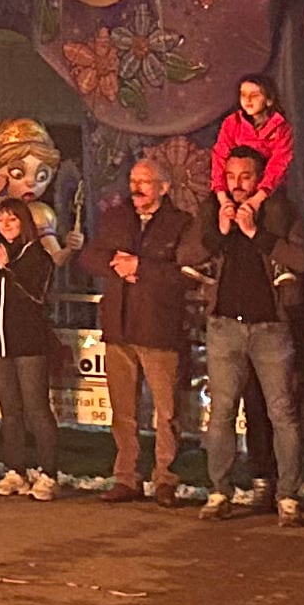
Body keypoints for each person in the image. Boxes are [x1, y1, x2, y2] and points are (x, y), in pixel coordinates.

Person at [188, 144, 304, 520]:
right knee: (222, 412)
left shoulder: (279, 211)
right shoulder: (213, 211)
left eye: (246, 177)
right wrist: (220, 231)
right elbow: (188, 255)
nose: (238, 185)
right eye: (231, 177)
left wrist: (256, 233)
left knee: (281, 412)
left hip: (270, 328)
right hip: (225, 325)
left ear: (261, 180)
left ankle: (288, 495)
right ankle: (219, 492)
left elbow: (302, 259)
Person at [89, 156, 195, 503]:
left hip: (158, 329)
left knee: (166, 411)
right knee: (123, 411)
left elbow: (187, 274)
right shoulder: (116, 218)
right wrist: (115, 266)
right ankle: (126, 477)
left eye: (145, 182)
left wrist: (143, 268)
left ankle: (166, 478)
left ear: (164, 187)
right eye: (133, 180)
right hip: (119, 327)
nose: (136, 187)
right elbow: (88, 258)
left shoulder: (181, 224)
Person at [0, 193, 67, 497]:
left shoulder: (37, 255)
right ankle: (15, 470)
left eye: (12, 219)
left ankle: (49, 473)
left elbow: (35, 293)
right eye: (1, 219)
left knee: (37, 408)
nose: (6, 224)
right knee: (9, 410)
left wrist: (9, 267)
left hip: (28, 342)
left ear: (23, 223)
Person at [210, 76, 295, 202]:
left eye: (254, 95)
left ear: (269, 100)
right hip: (232, 189)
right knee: (209, 210)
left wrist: (258, 198)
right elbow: (220, 157)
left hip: (266, 191)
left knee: (276, 211)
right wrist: (222, 196)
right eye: (243, 95)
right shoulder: (232, 123)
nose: (248, 100)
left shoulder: (281, 128)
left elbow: (278, 164)